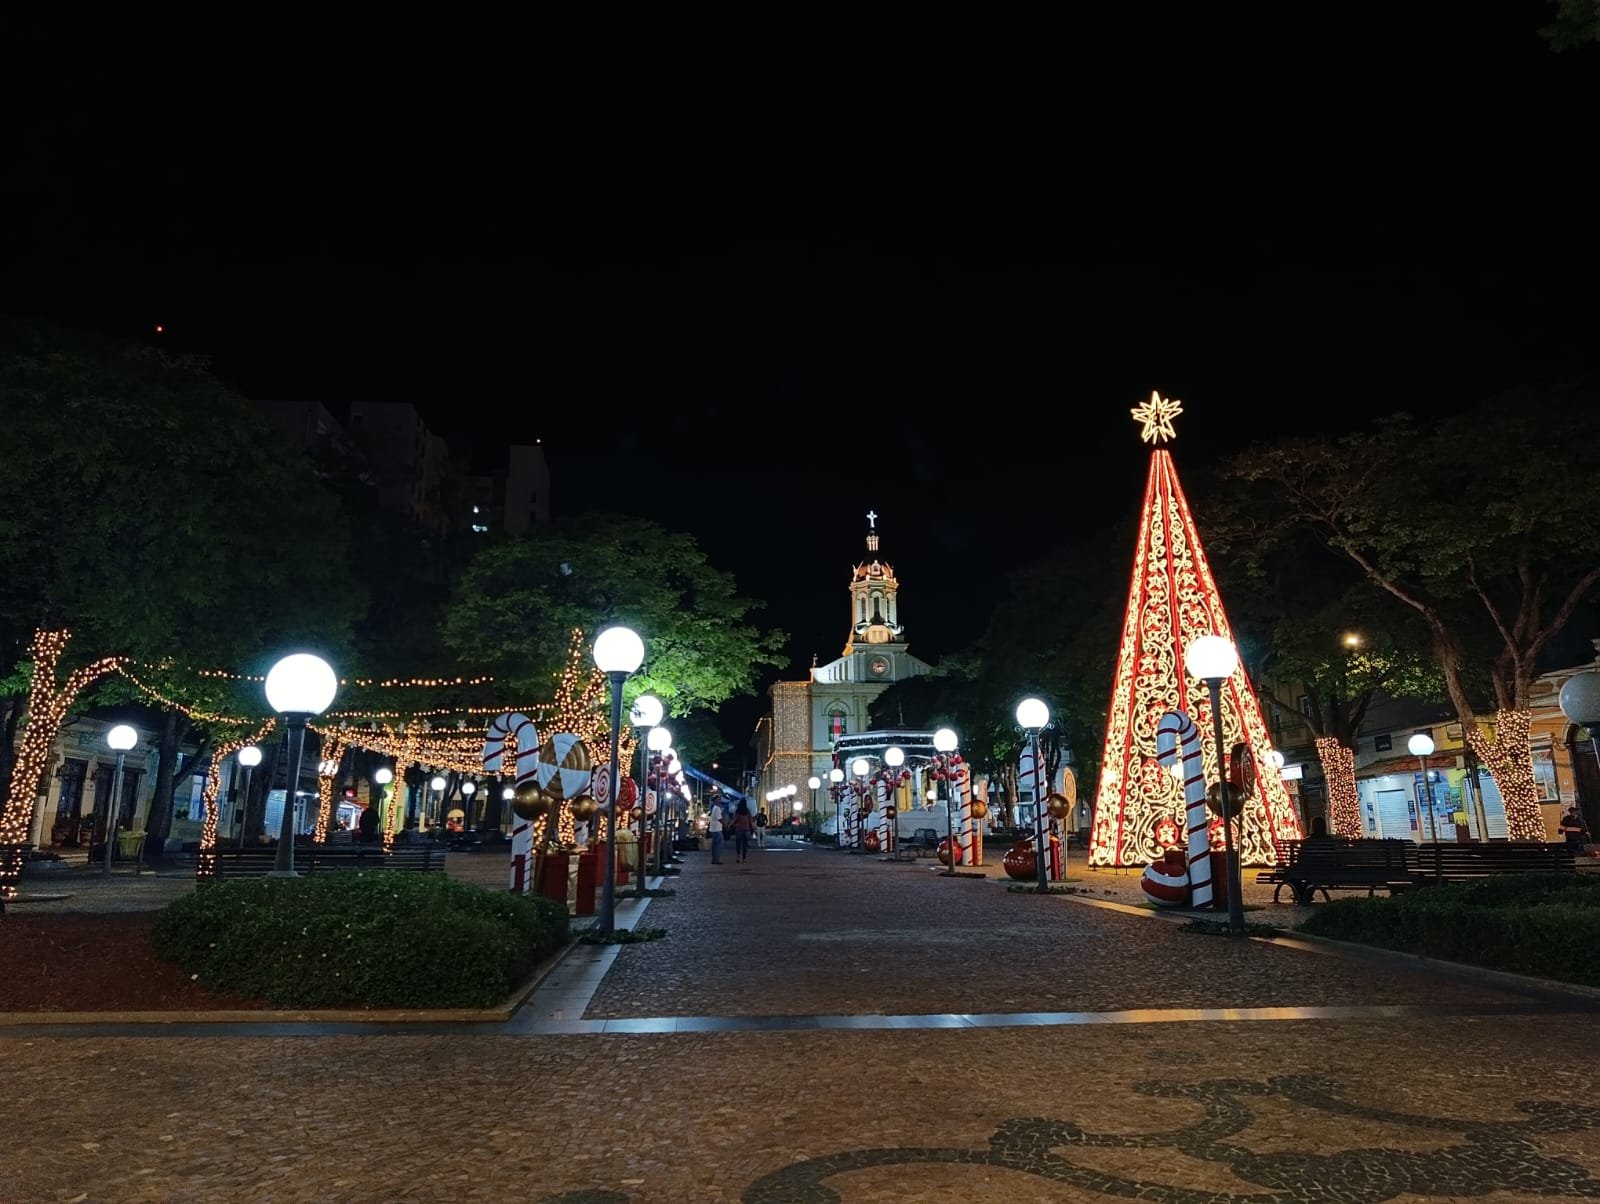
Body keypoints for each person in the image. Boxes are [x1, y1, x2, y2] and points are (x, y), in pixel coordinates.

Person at [708, 796, 726, 864]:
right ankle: (716, 859)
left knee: (715, 845)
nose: (720, 801)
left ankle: (714, 859)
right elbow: (720, 819)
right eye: (718, 799)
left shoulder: (714, 808)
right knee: (719, 844)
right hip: (717, 829)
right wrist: (725, 825)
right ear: (715, 800)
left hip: (714, 829)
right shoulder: (717, 808)